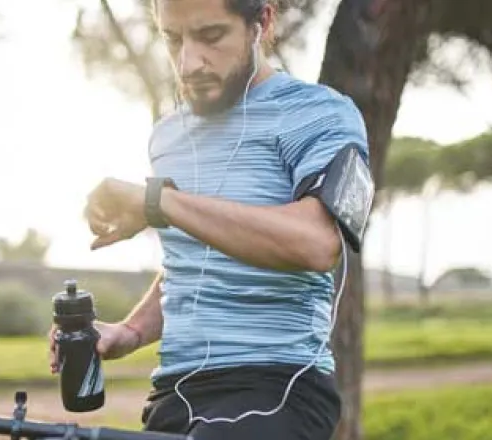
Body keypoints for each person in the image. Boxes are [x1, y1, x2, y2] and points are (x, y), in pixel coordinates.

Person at [48, 0, 372, 439]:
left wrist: (158, 202)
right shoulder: (168, 136)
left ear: (263, 22)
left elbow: (316, 243)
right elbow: (195, 262)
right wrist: (129, 331)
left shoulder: (320, 114)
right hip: (175, 392)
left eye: (211, 36)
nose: (188, 62)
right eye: (173, 38)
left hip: (278, 387)